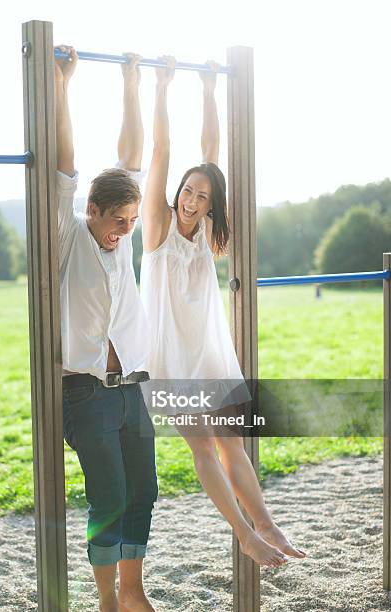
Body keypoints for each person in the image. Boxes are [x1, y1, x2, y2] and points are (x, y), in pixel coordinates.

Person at [139, 56, 305, 567]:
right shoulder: (158, 225)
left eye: (202, 195)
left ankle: (267, 523)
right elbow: (162, 150)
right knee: (203, 449)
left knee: (232, 444)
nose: (191, 199)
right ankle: (245, 535)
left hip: (208, 352)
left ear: (213, 204)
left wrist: (210, 89)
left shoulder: (209, 232)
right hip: (170, 356)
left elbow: (212, 157)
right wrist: (163, 87)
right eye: (188, 190)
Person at [55, 46, 157, 612]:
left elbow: (132, 159)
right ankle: (106, 600)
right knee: (110, 497)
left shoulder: (123, 237)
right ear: (92, 209)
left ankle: (133, 591)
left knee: (144, 491)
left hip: (133, 387)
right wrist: (63, 86)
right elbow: (64, 167)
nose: (125, 230)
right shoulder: (70, 234)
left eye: (133, 222)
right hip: (87, 391)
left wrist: (132, 81)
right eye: (117, 220)